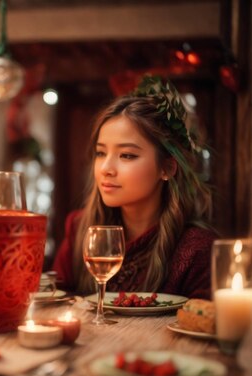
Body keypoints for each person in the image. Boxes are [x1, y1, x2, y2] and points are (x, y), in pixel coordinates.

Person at [52, 76, 215, 299]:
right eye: (100, 153)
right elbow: (58, 303)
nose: (106, 168)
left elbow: (202, 324)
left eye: (127, 155)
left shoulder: (197, 250)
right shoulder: (80, 228)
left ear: (166, 168)